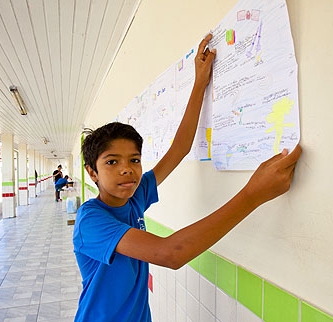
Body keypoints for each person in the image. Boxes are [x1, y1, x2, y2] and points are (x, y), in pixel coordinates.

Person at [73, 33, 302, 322]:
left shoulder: (134, 196)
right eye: (111, 162)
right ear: (91, 172)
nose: (126, 169)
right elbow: (172, 253)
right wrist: (253, 194)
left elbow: (179, 149)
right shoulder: (90, 220)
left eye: (134, 160)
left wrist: (199, 83)